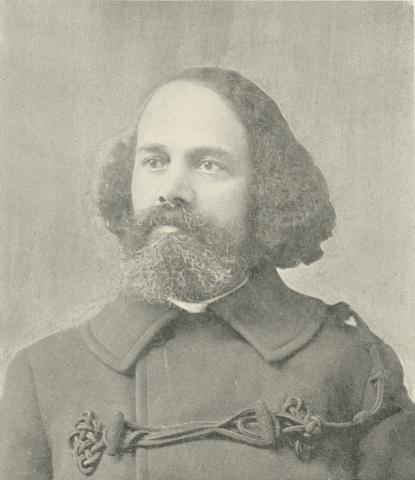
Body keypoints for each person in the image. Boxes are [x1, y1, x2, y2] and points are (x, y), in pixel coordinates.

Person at [1, 67, 414, 480]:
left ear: (264, 189)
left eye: (208, 164)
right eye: (154, 161)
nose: (172, 188)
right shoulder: (44, 376)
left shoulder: (353, 364)